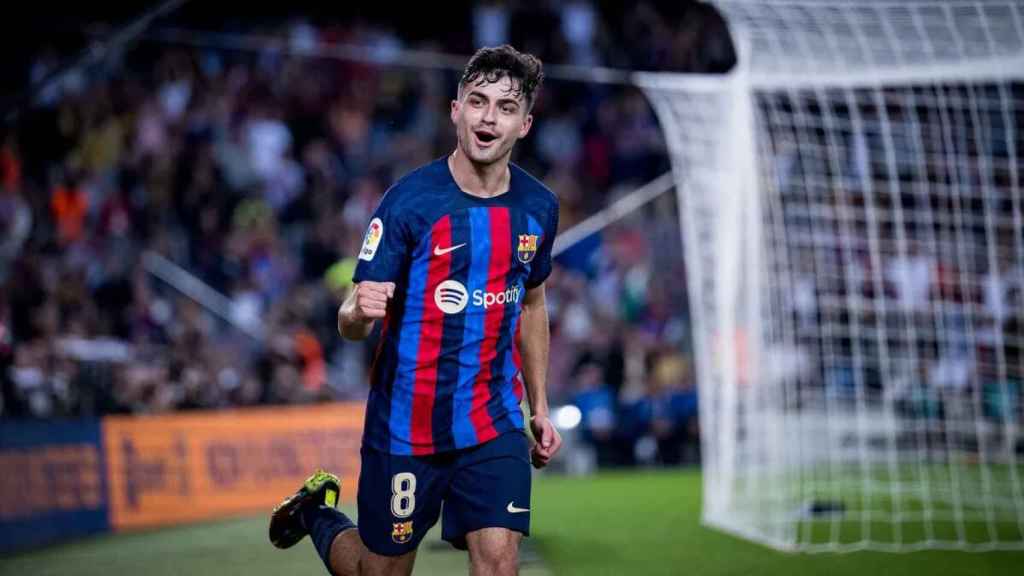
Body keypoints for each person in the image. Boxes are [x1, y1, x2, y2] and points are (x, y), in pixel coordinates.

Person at [268, 45, 562, 576]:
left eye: (505, 107)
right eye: (477, 102)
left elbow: (533, 301)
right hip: (405, 426)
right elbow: (350, 321)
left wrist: (539, 405)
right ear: (455, 110)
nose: (488, 117)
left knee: (499, 563)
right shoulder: (408, 203)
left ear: (525, 124)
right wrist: (359, 311)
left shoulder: (540, 207)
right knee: (378, 570)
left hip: (492, 420)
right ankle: (317, 514)